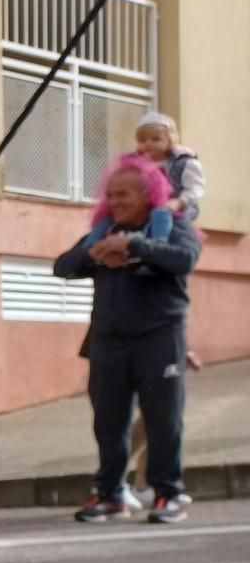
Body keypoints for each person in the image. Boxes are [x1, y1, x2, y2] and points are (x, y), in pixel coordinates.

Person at [56, 153, 202, 524]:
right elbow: (62, 266)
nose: (116, 202)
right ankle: (110, 494)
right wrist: (96, 253)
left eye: (125, 195)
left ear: (149, 194)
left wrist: (134, 246)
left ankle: (167, 494)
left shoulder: (172, 225)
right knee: (108, 420)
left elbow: (185, 259)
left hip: (160, 336)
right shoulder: (102, 232)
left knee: (163, 419)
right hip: (108, 340)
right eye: (112, 195)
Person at [135, 111, 204, 221]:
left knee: (168, 220)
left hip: (178, 207)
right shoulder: (137, 163)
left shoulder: (182, 161)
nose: (148, 143)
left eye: (155, 139)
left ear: (170, 139)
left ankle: (161, 238)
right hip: (147, 208)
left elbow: (195, 187)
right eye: (142, 140)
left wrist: (179, 202)